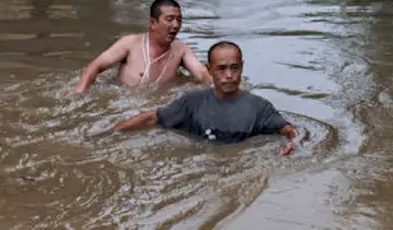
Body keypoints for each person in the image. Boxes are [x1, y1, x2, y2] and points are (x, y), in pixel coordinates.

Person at [110, 41, 303, 155]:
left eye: (234, 68)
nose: (229, 75)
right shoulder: (191, 102)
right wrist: (111, 133)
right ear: (209, 70)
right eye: (221, 69)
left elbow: (290, 130)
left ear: (241, 68)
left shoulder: (259, 107)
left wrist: (293, 143)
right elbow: (152, 118)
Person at [70, 0, 212, 94]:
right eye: (169, 19)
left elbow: (201, 73)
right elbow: (95, 67)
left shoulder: (181, 50)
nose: (176, 25)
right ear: (152, 23)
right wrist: (79, 92)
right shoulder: (129, 44)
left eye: (179, 20)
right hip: (122, 99)